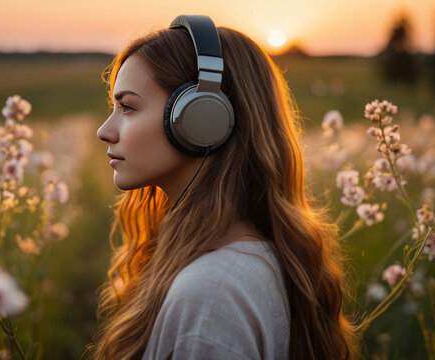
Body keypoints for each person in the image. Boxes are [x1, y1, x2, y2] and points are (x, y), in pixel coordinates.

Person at [89, 15, 357, 360]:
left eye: (127, 107)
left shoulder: (211, 293)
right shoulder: (251, 259)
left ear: (203, 119)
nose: (104, 131)